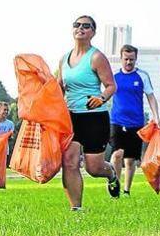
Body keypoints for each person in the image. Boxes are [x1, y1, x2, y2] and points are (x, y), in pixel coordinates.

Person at [58, 15, 119, 211]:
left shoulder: (96, 57)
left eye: (86, 26)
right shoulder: (63, 60)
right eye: (77, 25)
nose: (81, 29)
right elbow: (58, 87)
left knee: (93, 168)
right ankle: (76, 209)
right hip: (71, 118)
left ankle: (111, 174)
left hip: (94, 117)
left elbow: (111, 86)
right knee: (69, 162)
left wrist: (101, 98)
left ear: (93, 32)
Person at [110, 44, 160, 197]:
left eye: (131, 59)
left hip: (137, 123)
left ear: (136, 59)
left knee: (130, 160)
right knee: (117, 154)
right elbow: (104, 93)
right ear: (121, 59)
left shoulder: (142, 76)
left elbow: (151, 97)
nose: (128, 62)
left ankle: (126, 190)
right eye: (126, 59)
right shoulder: (114, 77)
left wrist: (156, 116)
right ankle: (115, 185)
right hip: (117, 121)